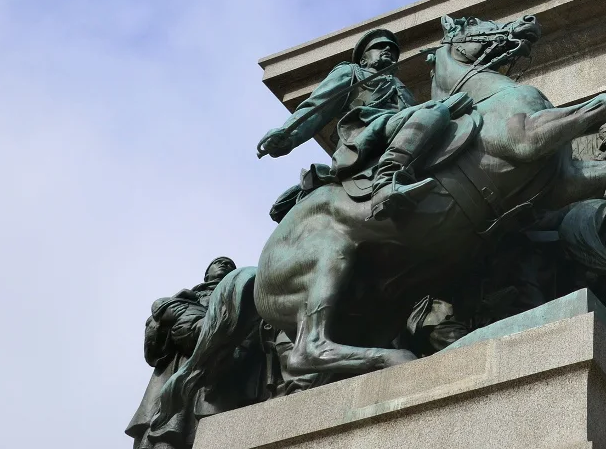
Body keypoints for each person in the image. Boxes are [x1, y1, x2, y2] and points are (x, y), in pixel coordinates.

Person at [257, 28, 452, 218]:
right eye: (380, 47)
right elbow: (318, 106)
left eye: (392, 50)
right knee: (435, 110)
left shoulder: (400, 87)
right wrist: (288, 135)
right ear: (364, 58)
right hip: (367, 133)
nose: (387, 51)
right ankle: (387, 178)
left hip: (399, 135)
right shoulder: (352, 72)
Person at [126, 258, 270, 449]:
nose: (225, 265)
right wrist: (170, 319)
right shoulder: (182, 299)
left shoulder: (246, 295)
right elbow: (153, 350)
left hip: (222, 367)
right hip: (181, 364)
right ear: (206, 273)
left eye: (229, 265)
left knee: (218, 429)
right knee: (168, 430)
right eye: (218, 262)